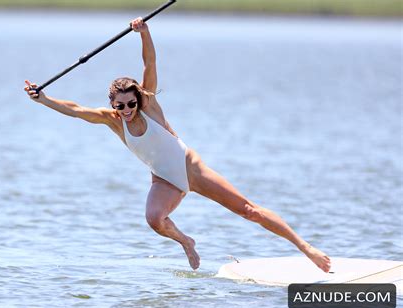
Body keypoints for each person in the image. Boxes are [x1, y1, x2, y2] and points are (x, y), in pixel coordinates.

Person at [24, 17, 331, 272]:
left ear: (137, 98)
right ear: (113, 104)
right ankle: (186, 241)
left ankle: (306, 248)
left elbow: (150, 63)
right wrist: (44, 99)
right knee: (154, 219)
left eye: (130, 103)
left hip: (190, 169)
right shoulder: (112, 120)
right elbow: (75, 110)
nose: (127, 110)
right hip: (164, 179)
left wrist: (144, 33)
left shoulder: (149, 105)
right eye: (121, 105)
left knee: (249, 210)